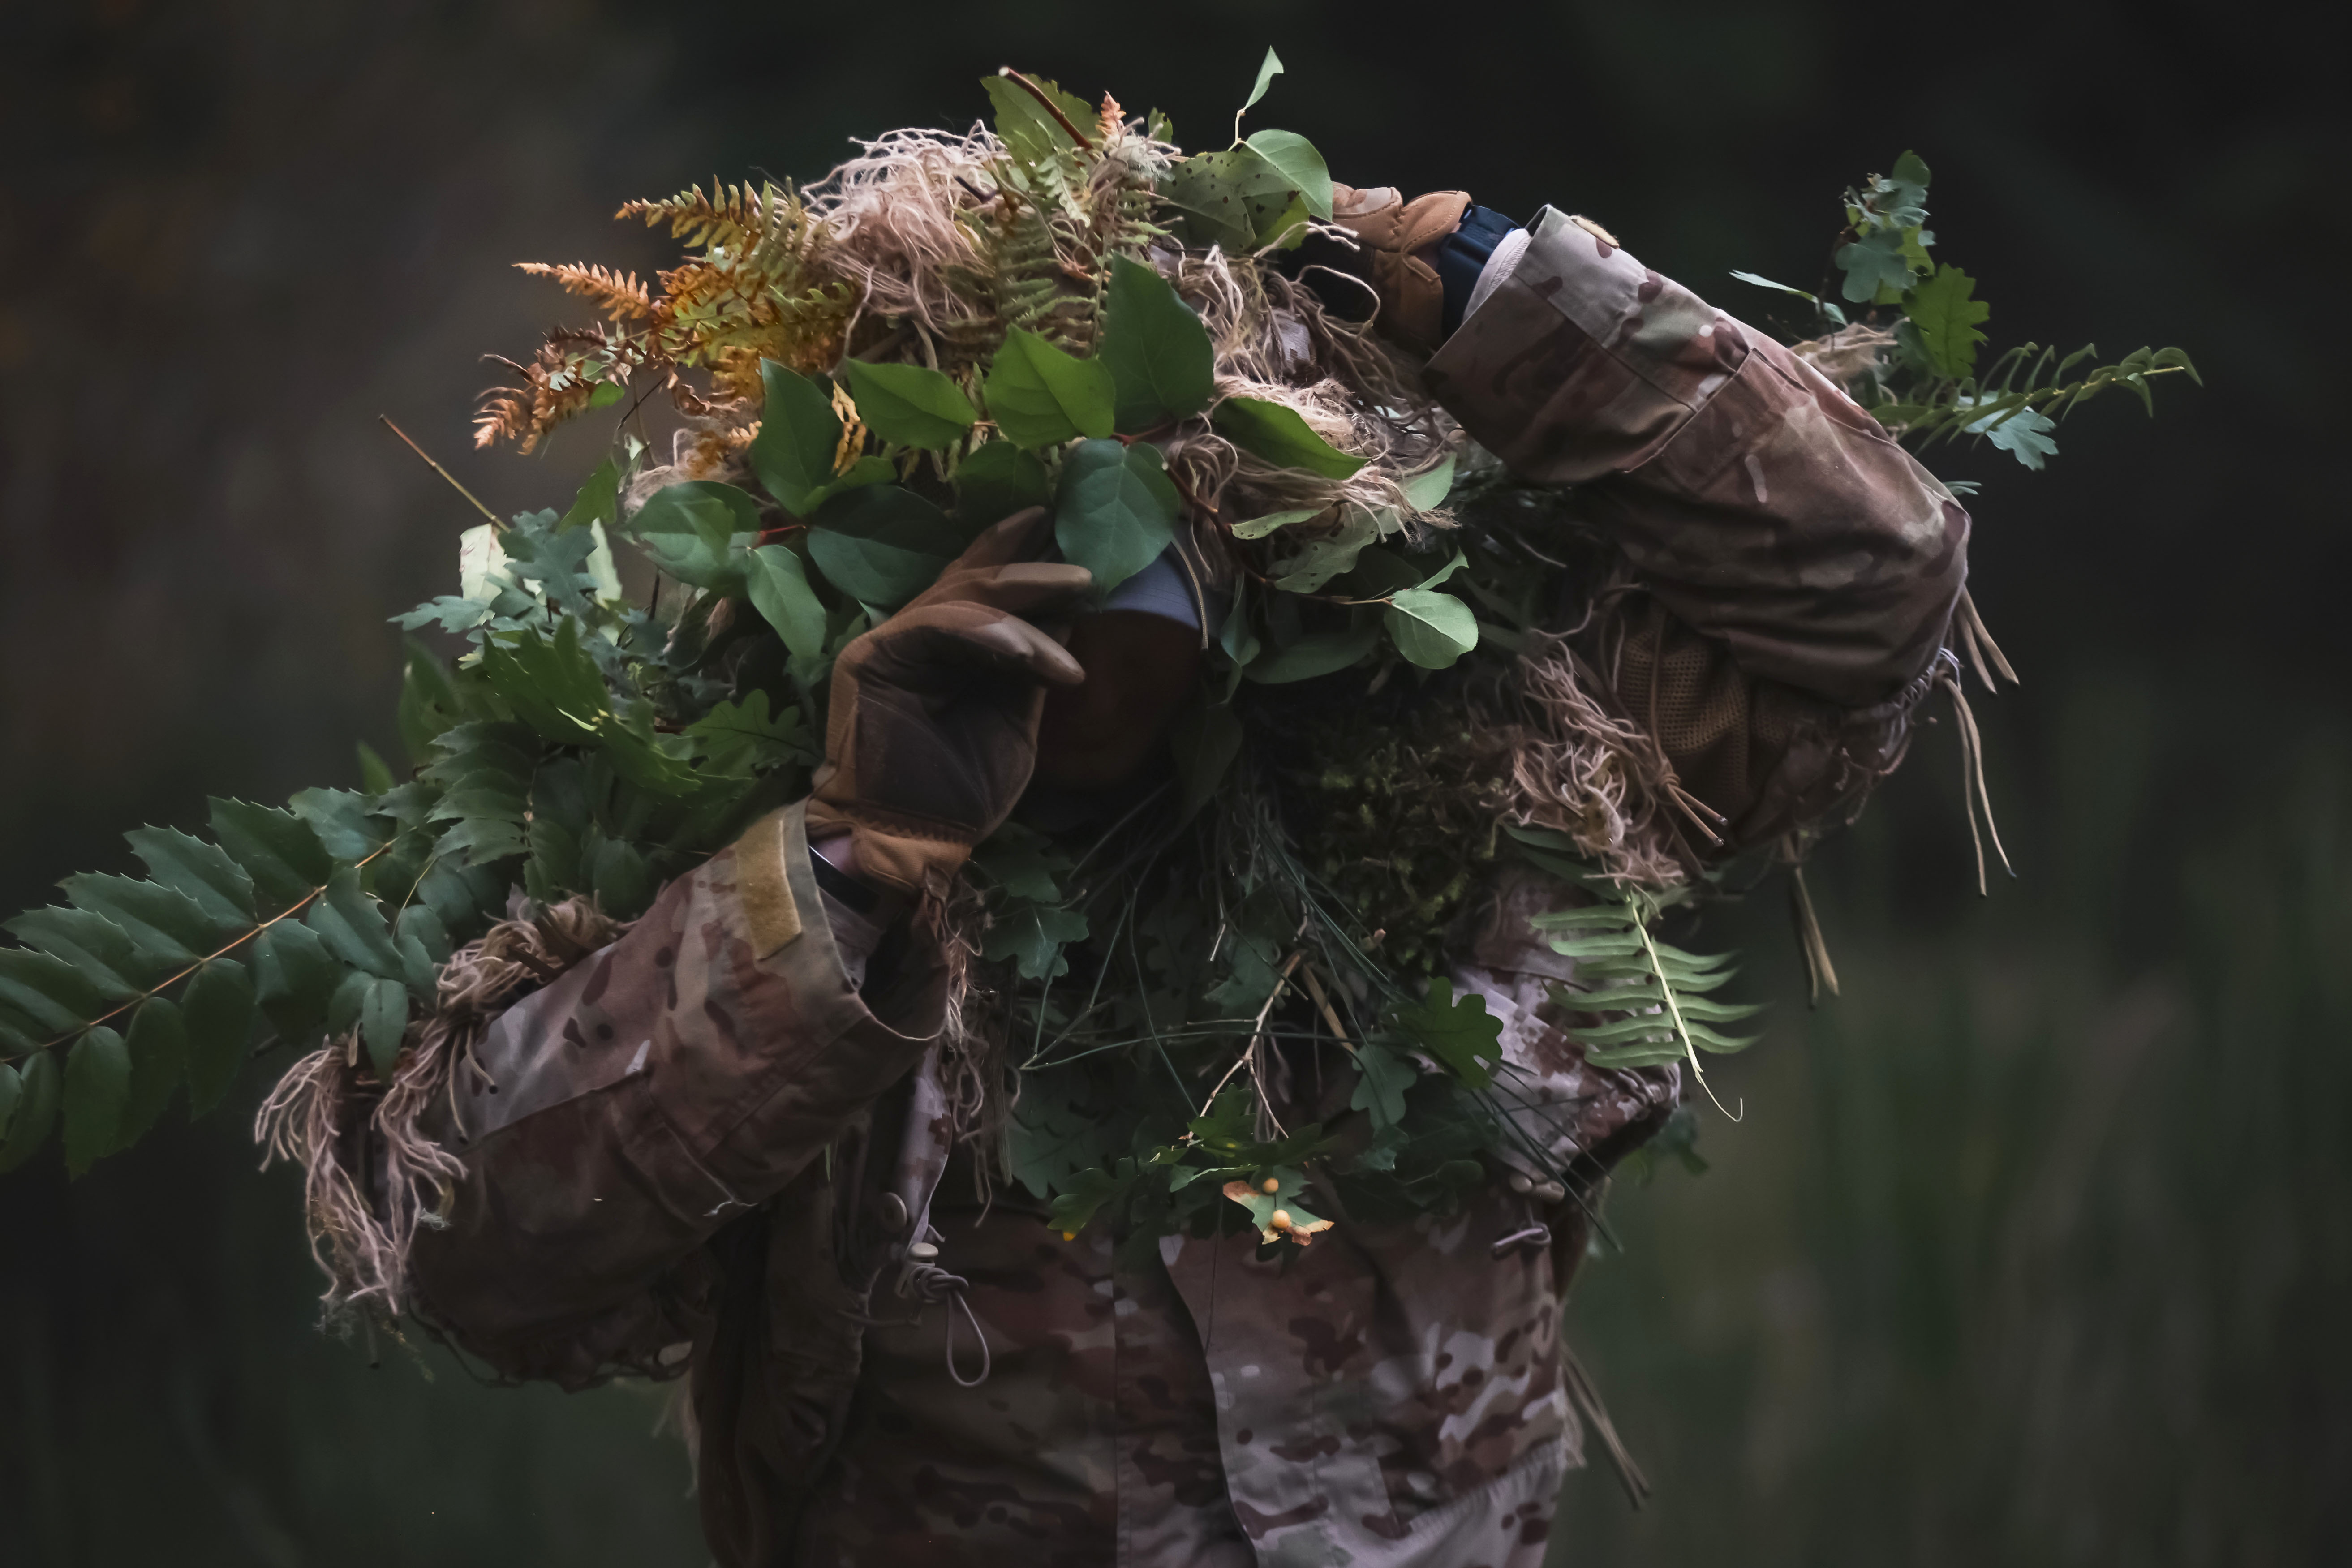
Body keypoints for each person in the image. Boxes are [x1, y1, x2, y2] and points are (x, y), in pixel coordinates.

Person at [396, 184, 1969, 1567]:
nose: (1079, 627)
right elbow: (478, 1255)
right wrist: (851, 863)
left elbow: (1870, 580)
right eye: (996, 528)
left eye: (1140, 528)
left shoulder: (1477, 782)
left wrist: (1492, 290)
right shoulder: (766, 867)